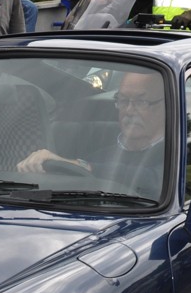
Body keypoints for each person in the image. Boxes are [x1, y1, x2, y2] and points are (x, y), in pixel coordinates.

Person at [14, 70, 165, 199]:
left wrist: (78, 165)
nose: (129, 111)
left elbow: (153, 181)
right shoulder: (99, 154)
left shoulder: (175, 155)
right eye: (123, 100)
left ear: (166, 105)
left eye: (141, 102)